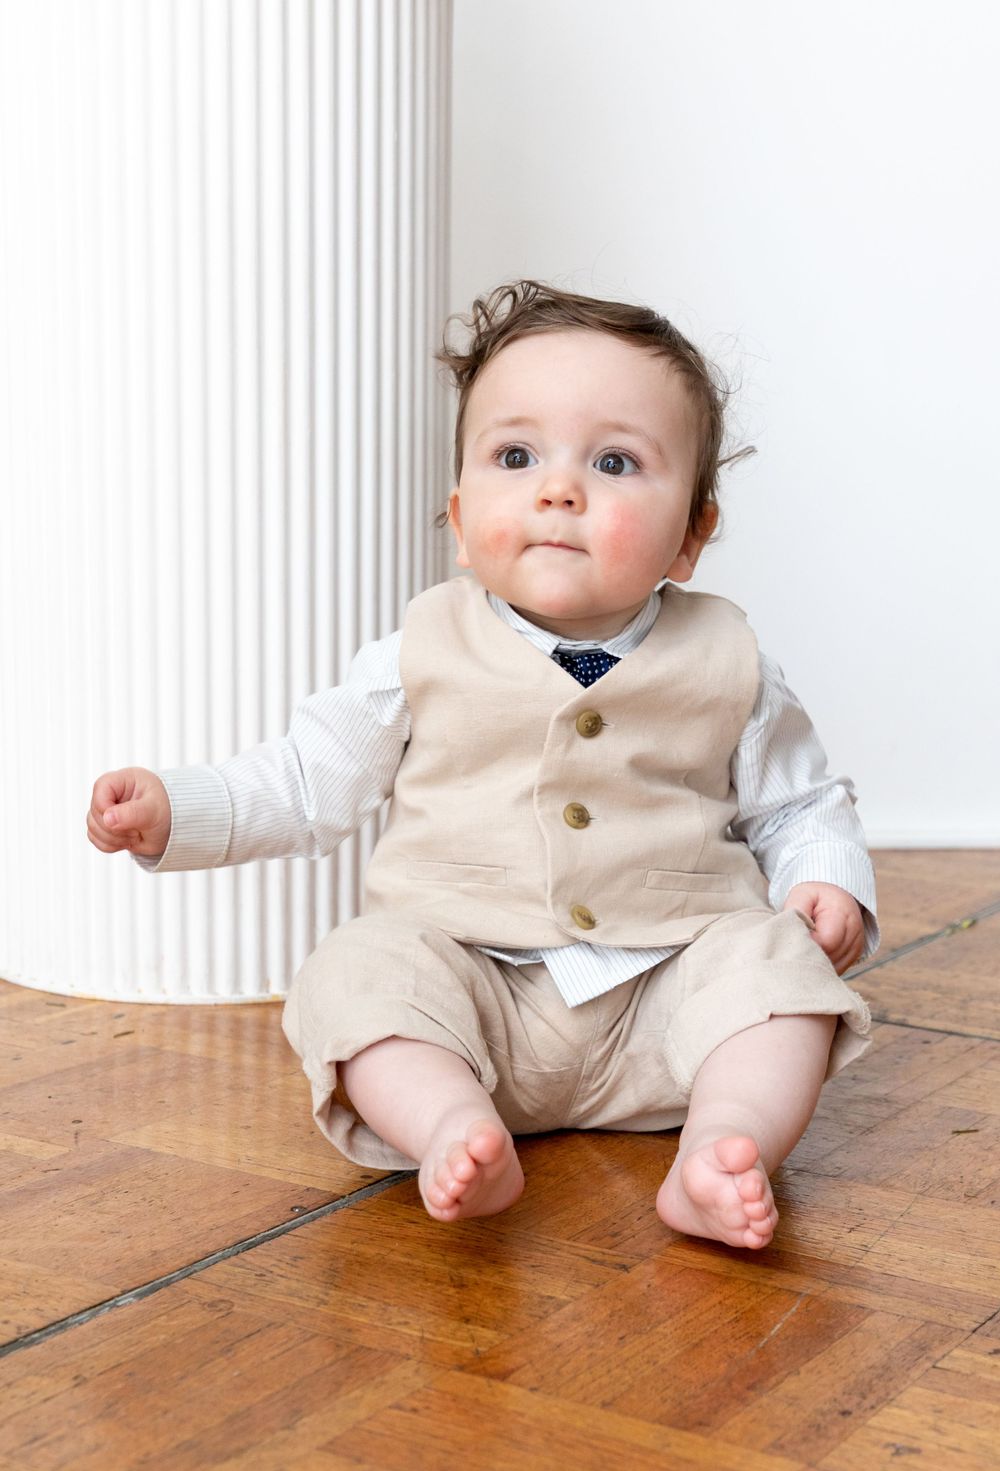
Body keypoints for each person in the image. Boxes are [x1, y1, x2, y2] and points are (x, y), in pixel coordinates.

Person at [87, 281, 877, 1250]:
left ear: (692, 534)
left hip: (671, 1007)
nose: (559, 489)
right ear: (460, 523)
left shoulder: (732, 663)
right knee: (356, 968)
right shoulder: (417, 654)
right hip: (475, 1004)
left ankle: (723, 1146)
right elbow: (305, 782)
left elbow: (800, 805)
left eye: (615, 461)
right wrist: (180, 810)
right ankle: (449, 1125)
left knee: (776, 965)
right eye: (516, 455)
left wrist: (823, 884)